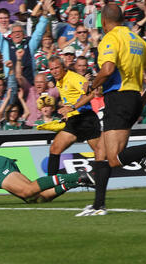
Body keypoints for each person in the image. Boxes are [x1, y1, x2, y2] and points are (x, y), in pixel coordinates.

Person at [77, 3, 146, 217]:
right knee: (100, 153)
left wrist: (92, 84)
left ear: (104, 22)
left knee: (114, 157)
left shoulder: (111, 38)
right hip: (132, 97)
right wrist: (143, 98)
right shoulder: (137, 39)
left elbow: (107, 70)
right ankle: (98, 205)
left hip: (119, 98)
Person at [45, 56, 101, 186]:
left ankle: (136, 158)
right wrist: (67, 113)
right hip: (75, 120)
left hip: (86, 119)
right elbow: (71, 98)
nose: (54, 71)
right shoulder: (60, 81)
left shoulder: (73, 78)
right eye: (51, 69)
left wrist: (72, 107)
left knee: (103, 154)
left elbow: (91, 94)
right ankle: (50, 185)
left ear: (63, 67)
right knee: (54, 149)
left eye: (57, 68)